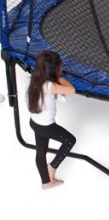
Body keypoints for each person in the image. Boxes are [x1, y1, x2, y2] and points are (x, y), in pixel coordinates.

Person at [27, 50, 76, 189]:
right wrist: (58, 77)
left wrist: (53, 75)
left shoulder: (35, 78)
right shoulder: (50, 85)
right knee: (70, 141)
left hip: (34, 122)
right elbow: (71, 90)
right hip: (45, 126)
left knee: (41, 152)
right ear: (53, 71)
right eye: (60, 66)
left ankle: (46, 183)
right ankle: (52, 167)